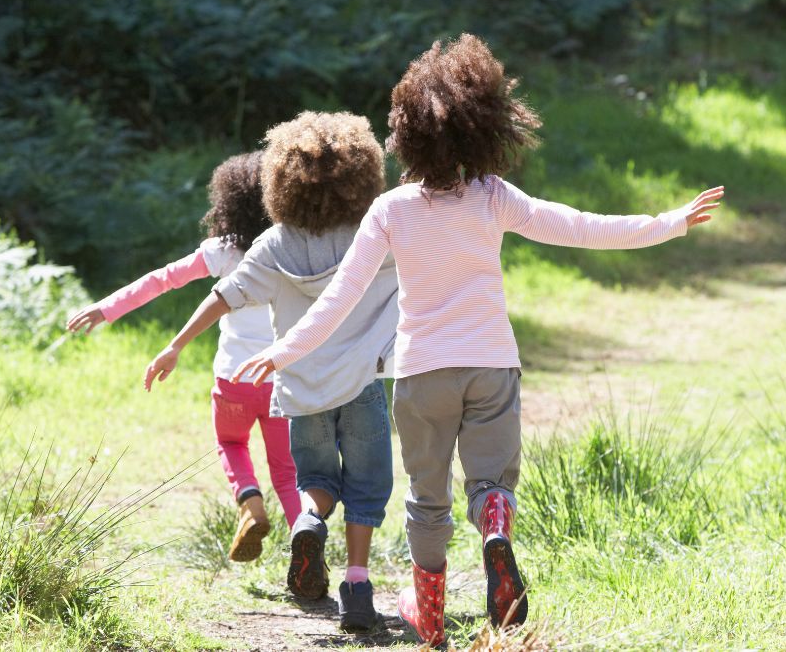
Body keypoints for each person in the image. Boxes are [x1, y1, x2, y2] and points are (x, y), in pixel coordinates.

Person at [226, 34, 723, 646]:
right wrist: (666, 223)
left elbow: (337, 299)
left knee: (426, 500)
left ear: (405, 132)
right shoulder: (493, 198)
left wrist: (284, 351)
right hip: (492, 365)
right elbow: (580, 226)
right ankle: (494, 525)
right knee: (491, 483)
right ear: (486, 127)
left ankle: (429, 614)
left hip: (421, 375)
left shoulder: (389, 210)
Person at [144, 112, 398, 633]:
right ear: (361, 173)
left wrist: (174, 345)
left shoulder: (275, 244)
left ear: (280, 180)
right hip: (362, 385)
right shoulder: (373, 234)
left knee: (317, 481)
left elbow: (222, 296)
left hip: (301, 390)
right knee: (367, 488)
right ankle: (356, 587)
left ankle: (307, 523)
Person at [66, 152, 301, 562]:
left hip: (234, 380)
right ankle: (306, 544)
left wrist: (107, 308)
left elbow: (163, 280)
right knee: (287, 471)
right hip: (282, 379)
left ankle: (250, 503)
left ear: (229, 202)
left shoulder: (224, 251)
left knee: (230, 441)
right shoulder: (293, 248)